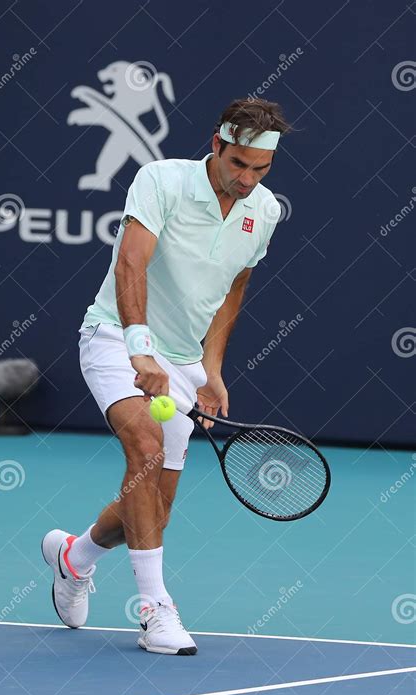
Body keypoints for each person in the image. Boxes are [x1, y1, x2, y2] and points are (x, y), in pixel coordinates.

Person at [42, 97, 291, 655]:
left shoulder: (265, 211)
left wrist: (211, 369)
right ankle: (155, 609)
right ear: (216, 145)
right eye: (238, 165)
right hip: (115, 336)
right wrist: (140, 350)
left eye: (260, 169)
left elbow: (234, 289)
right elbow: (131, 262)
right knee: (146, 449)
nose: (247, 179)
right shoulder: (162, 180)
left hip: (183, 362)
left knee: (155, 505)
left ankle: (73, 557)